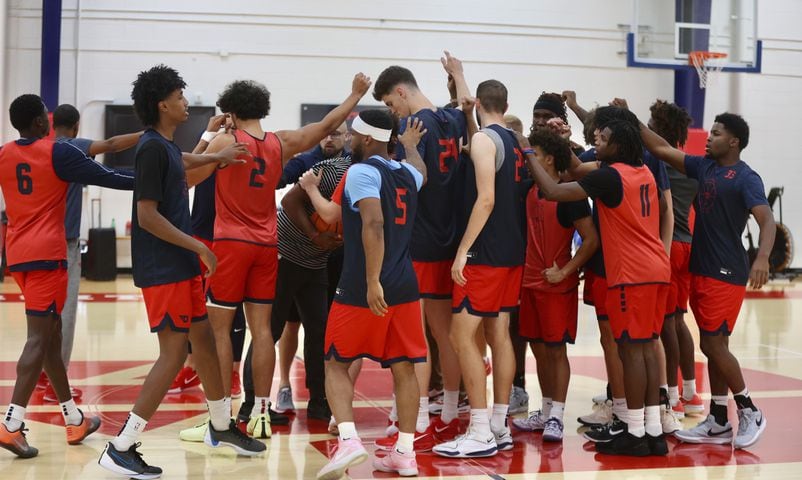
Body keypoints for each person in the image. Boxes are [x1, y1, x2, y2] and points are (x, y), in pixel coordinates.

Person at [98, 65, 265, 478]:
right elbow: (147, 216)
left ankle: (221, 427)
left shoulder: (165, 145)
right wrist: (197, 245)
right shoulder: (152, 148)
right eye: (180, 96)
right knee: (174, 355)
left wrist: (216, 155)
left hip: (179, 264)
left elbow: (184, 159)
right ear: (163, 104)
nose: (186, 102)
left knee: (204, 342)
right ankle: (121, 446)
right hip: (165, 266)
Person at [184, 73, 370, 441]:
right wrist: (355, 95)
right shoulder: (280, 142)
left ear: (231, 113)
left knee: (219, 332)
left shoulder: (227, 139)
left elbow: (188, 178)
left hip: (231, 244)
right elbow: (327, 125)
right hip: (268, 246)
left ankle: (221, 421)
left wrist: (208, 137)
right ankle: (263, 413)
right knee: (263, 330)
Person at [525, 118, 671, 456]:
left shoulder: (610, 176)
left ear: (618, 144)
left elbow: (554, 191)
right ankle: (652, 429)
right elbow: (580, 169)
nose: (596, 141)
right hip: (656, 268)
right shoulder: (643, 172)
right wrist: (563, 142)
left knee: (630, 351)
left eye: (602, 138)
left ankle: (633, 432)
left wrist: (529, 152)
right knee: (648, 348)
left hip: (631, 273)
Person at [632, 102, 774, 449]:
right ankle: (720, 419)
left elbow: (766, 220)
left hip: (726, 270)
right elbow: (661, 148)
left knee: (711, 344)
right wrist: (632, 121)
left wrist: (763, 258)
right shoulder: (705, 167)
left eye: (716, 133)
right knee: (715, 345)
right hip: (702, 268)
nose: (709, 138)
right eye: (709, 132)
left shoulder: (746, 177)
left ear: (734, 142)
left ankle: (749, 408)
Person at [0, 94, 133, 459]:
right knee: (37, 341)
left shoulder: (4, 153)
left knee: (52, 337)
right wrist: (156, 181)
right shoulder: (57, 152)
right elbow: (111, 176)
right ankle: (11, 425)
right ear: (42, 123)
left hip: (18, 255)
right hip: (48, 256)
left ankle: (73, 418)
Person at [316, 111, 427, 480]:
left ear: (366, 139)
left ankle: (348, 440)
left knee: (334, 361)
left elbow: (374, 223)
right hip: (407, 286)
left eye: (353, 135)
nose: (348, 139)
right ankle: (405, 454)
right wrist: (410, 148)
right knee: (404, 368)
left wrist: (372, 280)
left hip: (365, 287)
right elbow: (421, 172)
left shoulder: (362, 172)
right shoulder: (408, 174)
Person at [371, 52, 473, 449]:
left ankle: (417, 419)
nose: (391, 111)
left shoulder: (413, 126)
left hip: (420, 239)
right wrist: (459, 74)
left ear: (400, 92)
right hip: (451, 238)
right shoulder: (451, 117)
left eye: (389, 103)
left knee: (414, 336)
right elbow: (468, 104)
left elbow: (409, 181)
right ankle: (448, 411)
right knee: (443, 332)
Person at [433, 79, 526, 458]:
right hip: (512, 252)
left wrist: (462, 251)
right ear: (505, 103)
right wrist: (464, 94)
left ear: (479, 103)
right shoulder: (513, 141)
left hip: (484, 254)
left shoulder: (487, 141)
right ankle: (499, 425)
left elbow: (485, 200)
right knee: (499, 335)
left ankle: (479, 430)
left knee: (460, 337)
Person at [34, 104, 142, 403]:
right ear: (77, 126)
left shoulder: (39, 148)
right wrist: (147, 133)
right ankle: (58, 383)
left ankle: (42, 371)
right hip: (62, 243)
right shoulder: (70, 147)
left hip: (31, 243)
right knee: (65, 314)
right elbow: (111, 145)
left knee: (41, 315)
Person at [511, 129, 598, 443]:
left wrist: (566, 272)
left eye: (532, 151)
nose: (527, 155)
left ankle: (557, 417)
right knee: (538, 349)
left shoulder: (569, 194)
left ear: (547, 157)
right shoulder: (531, 189)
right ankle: (545, 412)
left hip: (555, 286)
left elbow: (591, 240)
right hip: (529, 283)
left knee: (556, 351)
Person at [269, 125, 352, 421]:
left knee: (319, 331)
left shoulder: (364, 174)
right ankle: (259, 402)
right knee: (276, 327)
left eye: (337, 134)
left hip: (319, 260)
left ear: (349, 140)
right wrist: (316, 236)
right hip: (288, 254)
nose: (330, 138)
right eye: (327, 133)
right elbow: (288, 199)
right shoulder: (322, 168)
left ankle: (319, 401)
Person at [646, 100, 704, 417]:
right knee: (679, 321)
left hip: (667, 247)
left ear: (658, 129)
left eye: (652, 122)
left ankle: (671, 396)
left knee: (665, 324)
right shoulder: (690, 165)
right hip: (689, 247)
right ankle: (692, 393)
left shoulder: (658, 164)